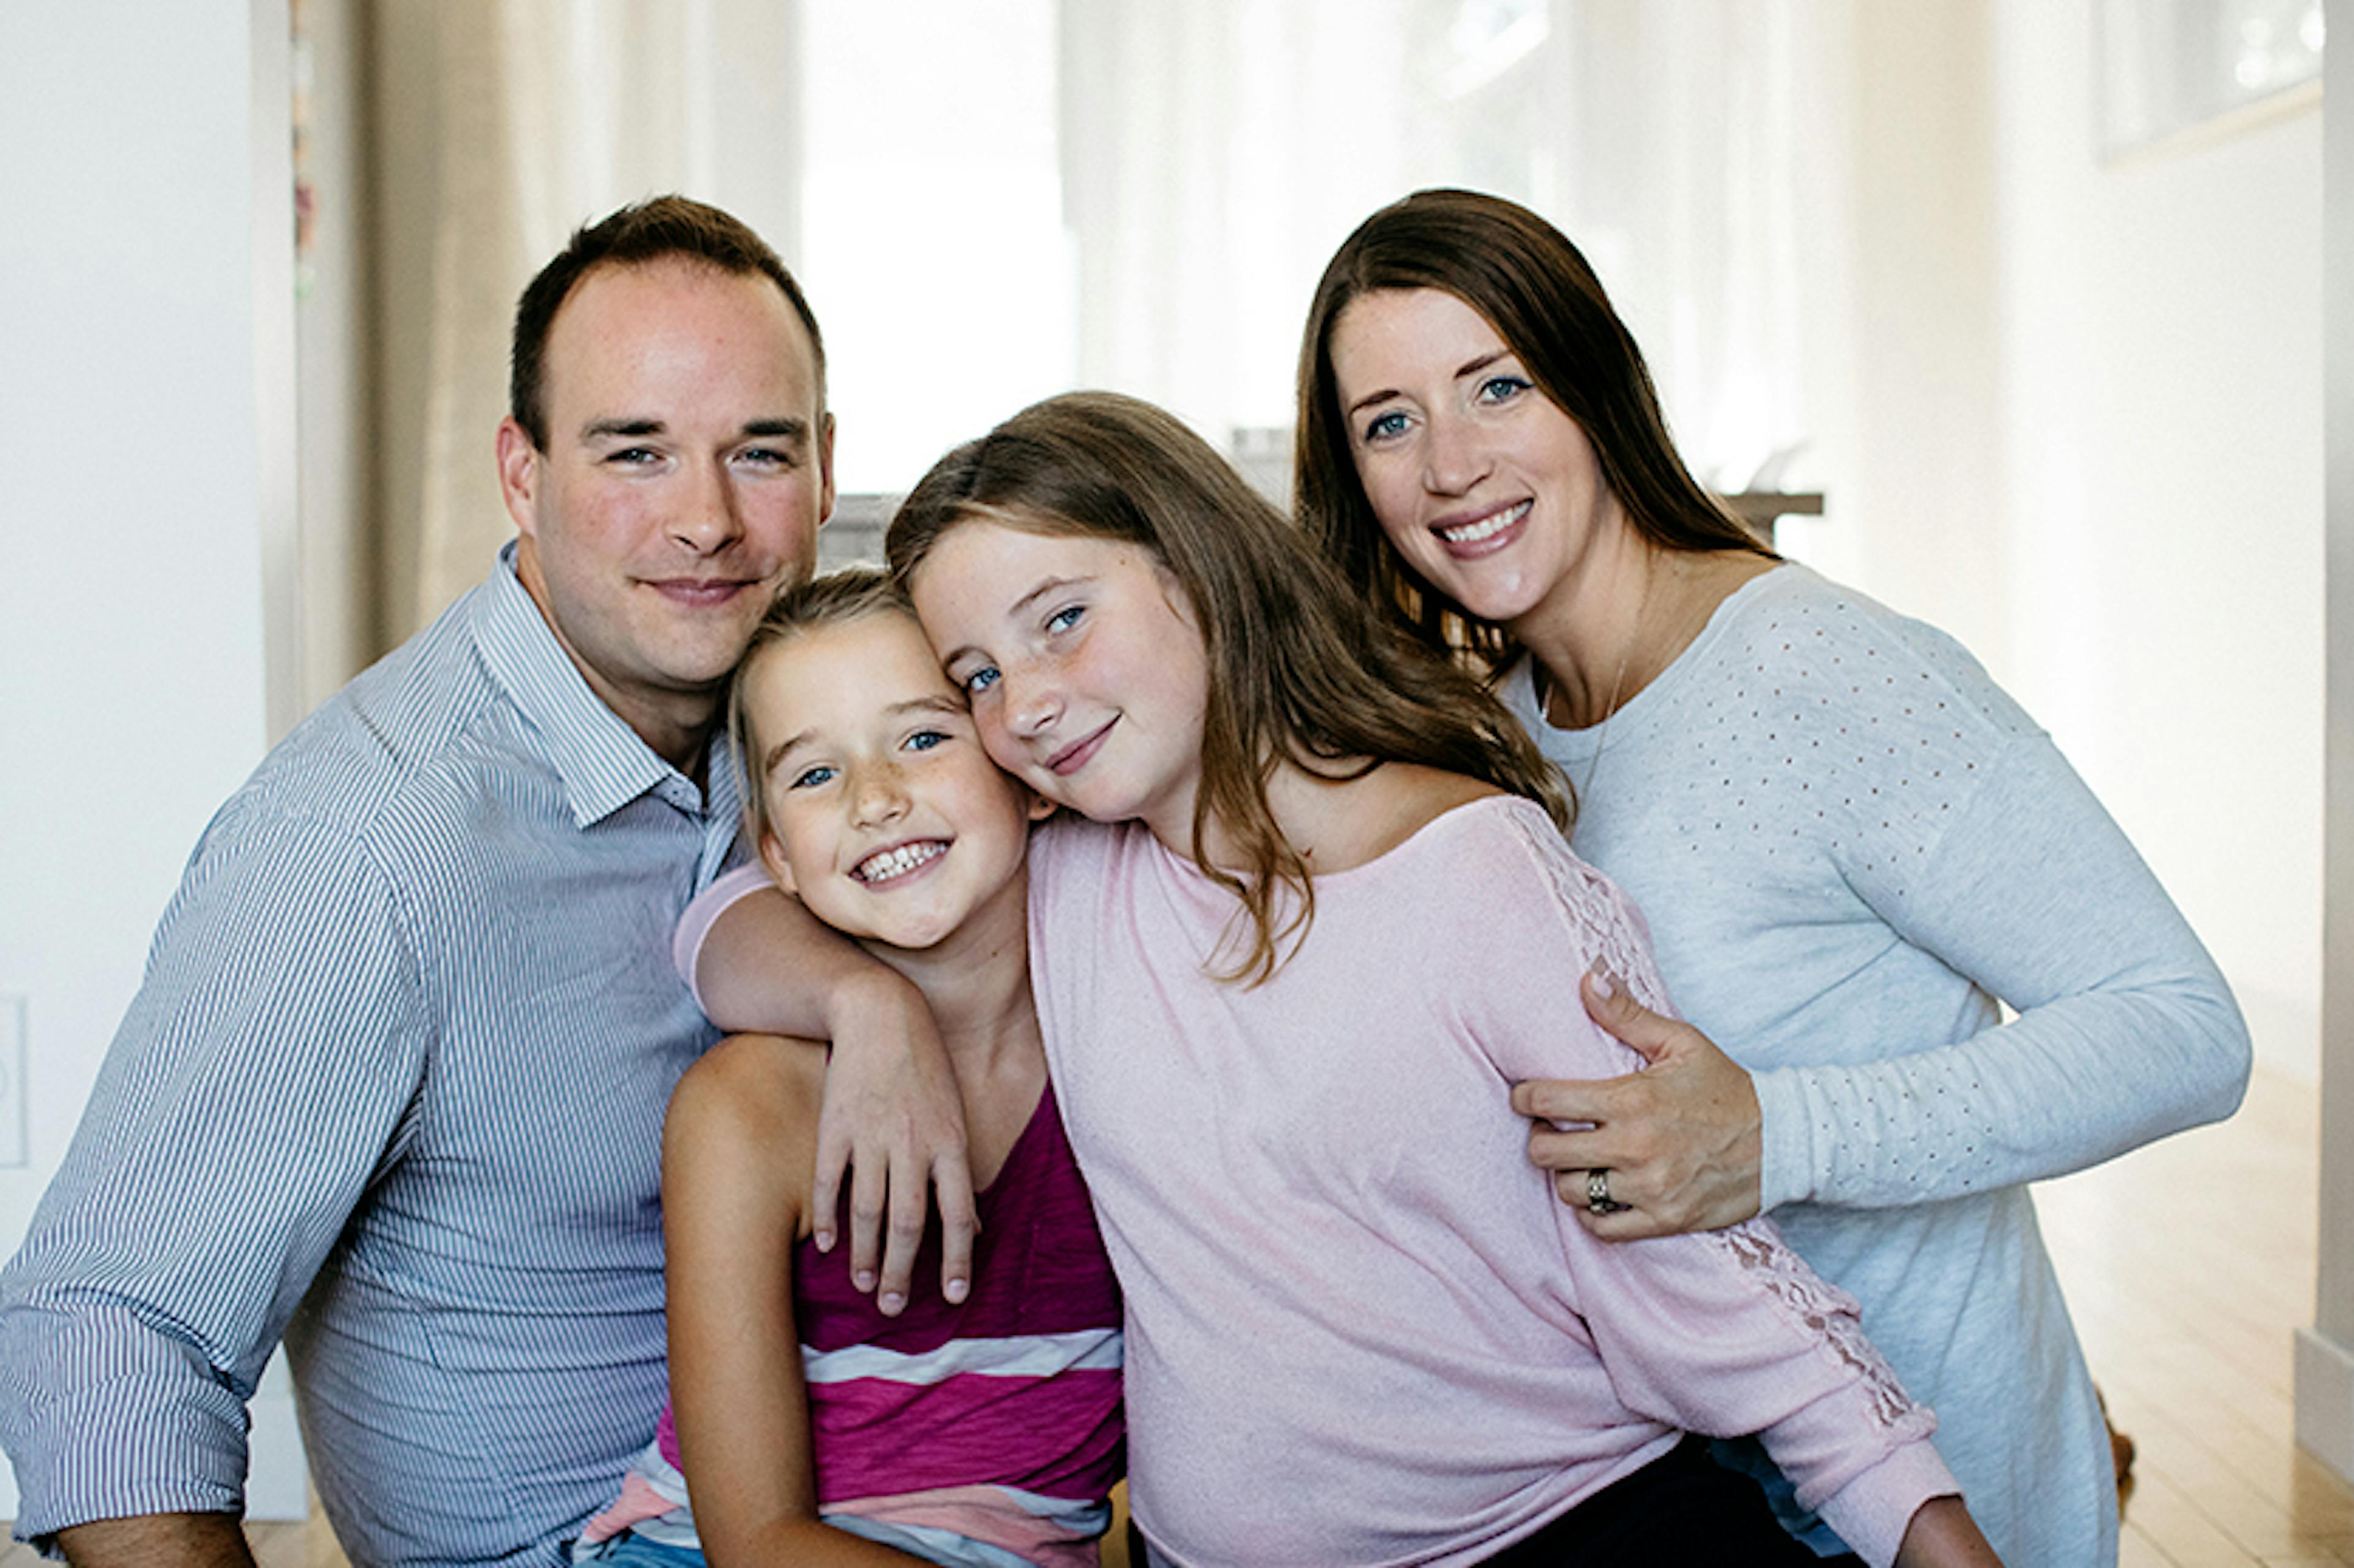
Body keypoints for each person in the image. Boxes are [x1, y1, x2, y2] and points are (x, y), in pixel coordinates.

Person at [693, 390, 2002, 1566]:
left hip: (1568, 1530)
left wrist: (1926, 1524)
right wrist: (855, 1001)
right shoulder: (1071, 868)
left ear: (1198, 575)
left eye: (1064, 621)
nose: (1025, 701)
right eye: (976, 675)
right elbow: (726, 911)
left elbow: (1699, 1265)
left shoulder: (1476, 871)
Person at [1291, 186, 2252, 1566]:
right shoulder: (1488, 737)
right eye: (1390, 420)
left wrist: (1776, 1138)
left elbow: (2183, 1030)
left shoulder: (1824, 669)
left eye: (1494, 386)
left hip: (1943, 1503)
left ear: (1598, 383)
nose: (1448, 465)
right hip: (1676, 1513)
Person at [0, 196, 960, 1568]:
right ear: (522, 473)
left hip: (888, 1506)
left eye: (760, 451)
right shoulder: (361, 843)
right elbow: (105, 1327)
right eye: (636, 452)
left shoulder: (835, 737)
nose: (707, 520)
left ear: (826, 468)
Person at [571, 569, 1122, 1568]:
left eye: (921, 737)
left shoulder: (1132, 1047)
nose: (877, 799)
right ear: (776, 854)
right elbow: (755, 1538)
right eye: (816, 774)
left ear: (1024, 771)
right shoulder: (745, 1111)